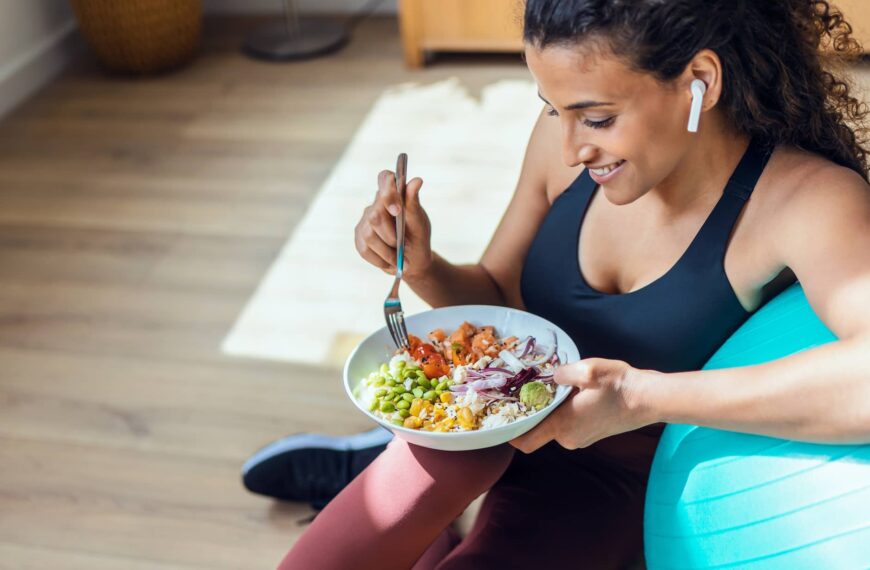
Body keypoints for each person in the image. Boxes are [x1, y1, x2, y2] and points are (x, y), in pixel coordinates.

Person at [245, 1, 870, 567]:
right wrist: (424, 267)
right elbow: (498, 298)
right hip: (487, 419)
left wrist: (637, 398)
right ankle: (389, 468)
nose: (569, 147)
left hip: (613, 477)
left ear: (699, 81)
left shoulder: (804, 202)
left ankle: (384, 480)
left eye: (596, 118)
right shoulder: (561, 143)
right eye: (551, 109)